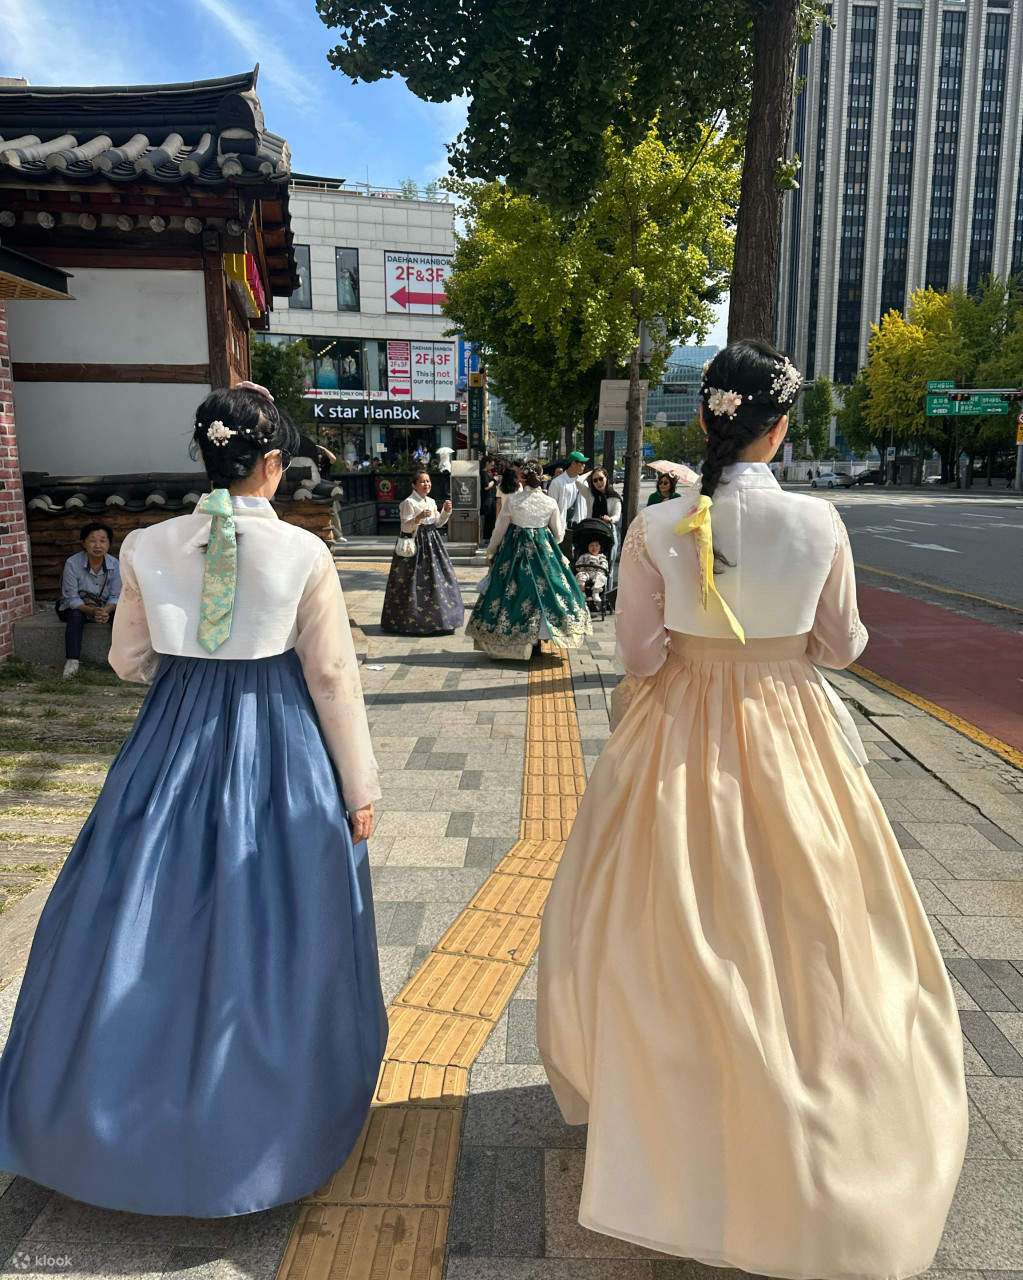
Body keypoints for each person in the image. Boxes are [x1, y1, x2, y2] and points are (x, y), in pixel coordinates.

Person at [537, 339, 967, 1278]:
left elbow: (641, 656)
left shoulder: (657, 523)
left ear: (707, 420)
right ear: (780, 427)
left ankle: (672, 1107)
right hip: (793, 729)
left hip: (676, 728)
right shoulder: (820, 522)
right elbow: (840, 645)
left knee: (667, 909)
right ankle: (819, 1106)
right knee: (811, 912)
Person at [0, 385, 387, 1217]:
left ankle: (98, 1110)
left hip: (171, 741)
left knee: (134, 905)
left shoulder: (146, 544)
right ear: (274, 463)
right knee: (273, 914)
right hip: (277, 744)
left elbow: (125, 659)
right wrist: (359, 787)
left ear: (205, 457)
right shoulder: (302, 553)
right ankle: (256, 1124)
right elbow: (329, 676)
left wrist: (183, 666)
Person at [466, 461, 591, 660]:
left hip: (514, 551)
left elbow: (499, 530)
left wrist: (491, 552)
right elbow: (559, 534)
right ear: (542, 479)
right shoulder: (549, 502)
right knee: (549, 591)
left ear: (521, 479)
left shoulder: (513, 501)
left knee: (512, 591)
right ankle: (541, 639)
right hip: (543, 553)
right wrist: (542, 534)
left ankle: (515, 640)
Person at [380, 468, 464, 634]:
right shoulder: (408, 503)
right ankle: (409, 622)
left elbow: (438, 523)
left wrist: (446, 512)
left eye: (428, 481)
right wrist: (417, 517)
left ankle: (440, 620)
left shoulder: (431, 501)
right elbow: (405, 526)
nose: (427, 484)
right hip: (415, 545)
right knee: (411, 582)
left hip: (433, 543)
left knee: (438, 580)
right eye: (423, 482)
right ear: (414, 485)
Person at [57, 521, 122, 679]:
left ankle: (121, 662)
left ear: (109, 544)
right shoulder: (72, 563)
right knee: (75, 616)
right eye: (92, 540)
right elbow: (71, 598)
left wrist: (105, 611)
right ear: (84, 543)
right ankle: (72, 661)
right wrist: (91, 611)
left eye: (102, 540)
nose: (97, 545)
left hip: (103, 607)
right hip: (79, 607)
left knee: (121, 617)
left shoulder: (115, 564)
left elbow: (116, 596)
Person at [574, 539, 609, 604]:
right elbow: (578, 564)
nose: (594, 547)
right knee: (580, 575)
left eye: (596, 546)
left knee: (601, 577)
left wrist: (599, 568)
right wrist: (583, 568)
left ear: (600, 548)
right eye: (591, 546)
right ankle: (582, 591)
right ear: (588, 547)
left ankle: (596, 592)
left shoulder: (601, 557)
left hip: (597, 572)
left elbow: (605, 566)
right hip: (586, 572)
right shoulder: (584, 556)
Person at [480, 457, 498, 542]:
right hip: (488, 499)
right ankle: (488, 537)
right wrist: (494, 480)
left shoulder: (485, 473)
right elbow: (486, 486)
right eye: (492, 465)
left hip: (489, 499)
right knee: (490, 519)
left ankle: (488, 537)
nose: (492, 467)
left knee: (490, 519)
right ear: (487, 463)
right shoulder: (484, 473)